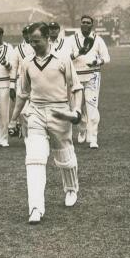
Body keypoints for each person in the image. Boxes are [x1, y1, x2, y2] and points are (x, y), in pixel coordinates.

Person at [10, 22, 83, 224]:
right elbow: (23, 94)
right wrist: (13, 119)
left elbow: (76, 87)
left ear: (48, 38)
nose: (34, 45)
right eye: (31, 41)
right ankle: (35, 208)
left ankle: (70, 189)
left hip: (60, 112)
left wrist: (75, 110)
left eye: (37, 41)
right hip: (35, 113)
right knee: (34, 159)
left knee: (65, 157)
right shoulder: (26, 62)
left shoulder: (62, 59)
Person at [68, 15, 110, 149]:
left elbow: (106, 58)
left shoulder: (98, 40)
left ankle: (93, 138)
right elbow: (65, 58)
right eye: (83, 22)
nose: (85, 25)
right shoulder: (71, 40)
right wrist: (78, 53)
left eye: (88, 23)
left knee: (92, 108)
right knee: (77, 108)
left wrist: (97, 62)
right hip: (76, 78)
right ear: (80, 24)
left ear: (92, 25)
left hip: (93, 76)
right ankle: (82, 130)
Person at [9, 25, 35, 137]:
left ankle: (37, 133)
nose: (28, 35)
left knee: (36, 108)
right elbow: (14, 68)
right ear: (23, 34)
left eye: (30, 33)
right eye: (26, 33)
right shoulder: (18, 49)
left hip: (36, 80)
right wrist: (11, 86)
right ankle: (26, 135)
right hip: (22, 80)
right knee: (23, 110)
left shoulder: (38, 46)